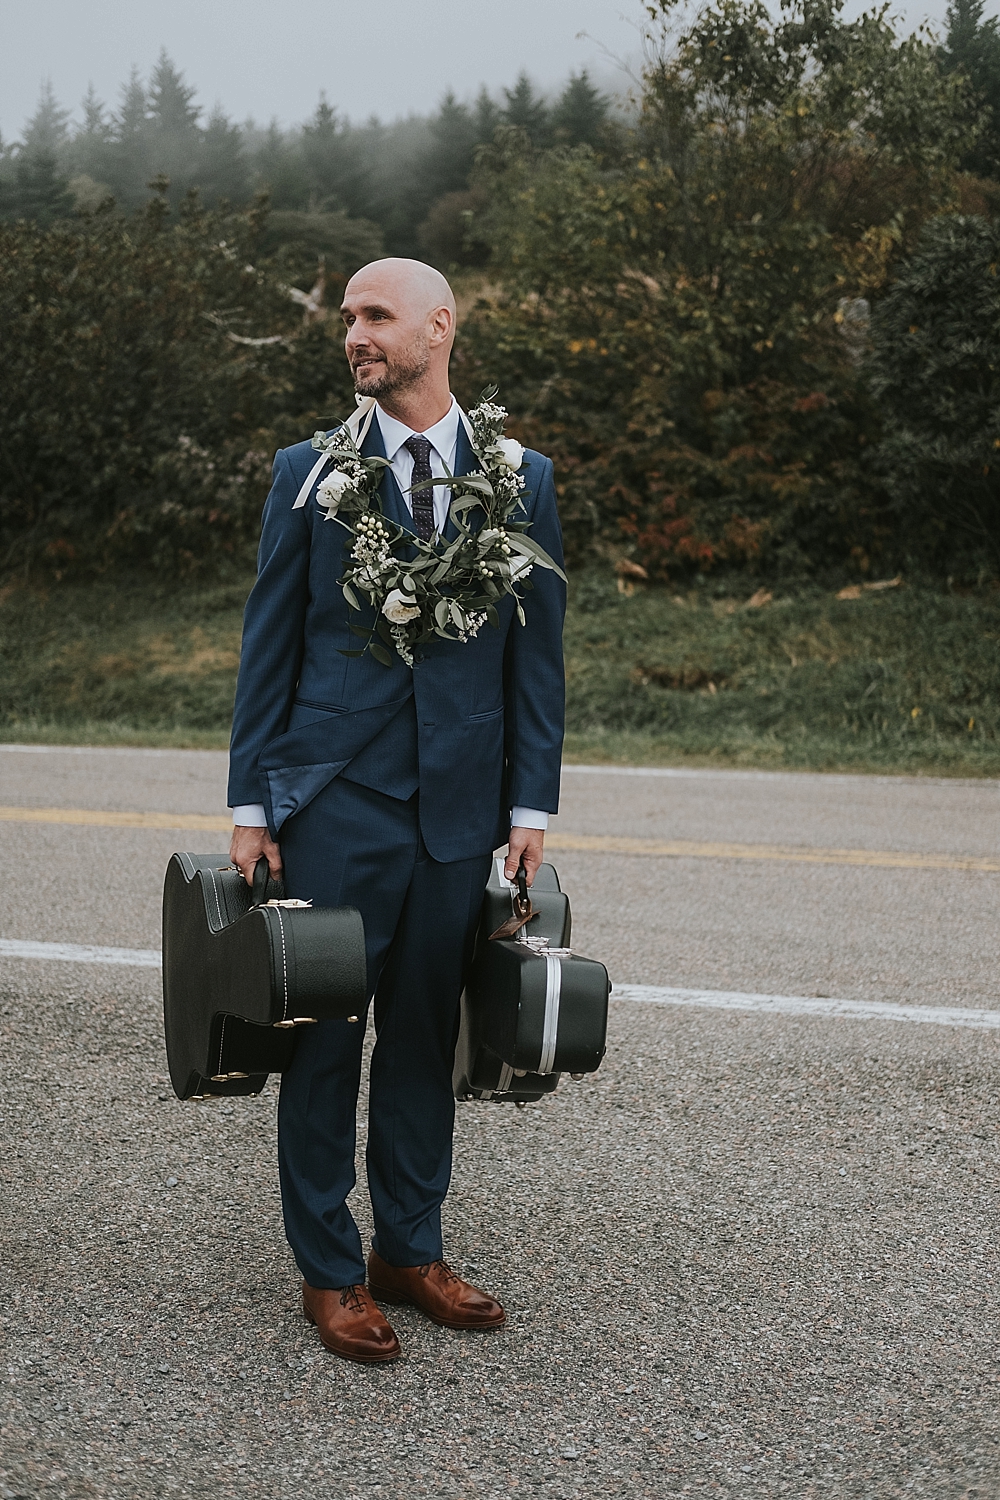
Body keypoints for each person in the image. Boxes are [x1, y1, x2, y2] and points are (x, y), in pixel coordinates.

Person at [226, 258, 566, 1364]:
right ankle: (329, 1269)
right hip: (334, 798)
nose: (354, 336)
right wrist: (251, 802)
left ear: (438, 327)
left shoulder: (521, 477)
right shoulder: (306, 473)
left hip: (460, 808)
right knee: (326, 1036)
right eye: (347, 320)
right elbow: (268, 642)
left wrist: (529, 805)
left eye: (375, 317)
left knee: (426, 1034)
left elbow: (537, 660)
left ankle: (405, 1251)